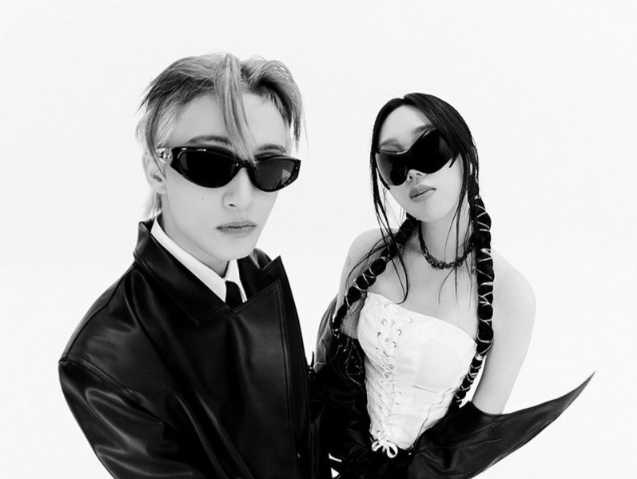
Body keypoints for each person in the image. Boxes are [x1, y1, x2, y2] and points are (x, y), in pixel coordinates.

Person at [59, 53, 327, 479]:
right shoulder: (104, 356)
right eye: (209, 163)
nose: (242, 198)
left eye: (270, 168)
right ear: (156, 170)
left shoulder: (255, 272)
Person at [314, 93, 591, 478]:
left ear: (466, 155)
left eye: (428, 149)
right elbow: (335, 377)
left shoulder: (511, 295)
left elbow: (474, 434)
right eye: (393, 162)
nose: (412, 173)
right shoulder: (367, 253)